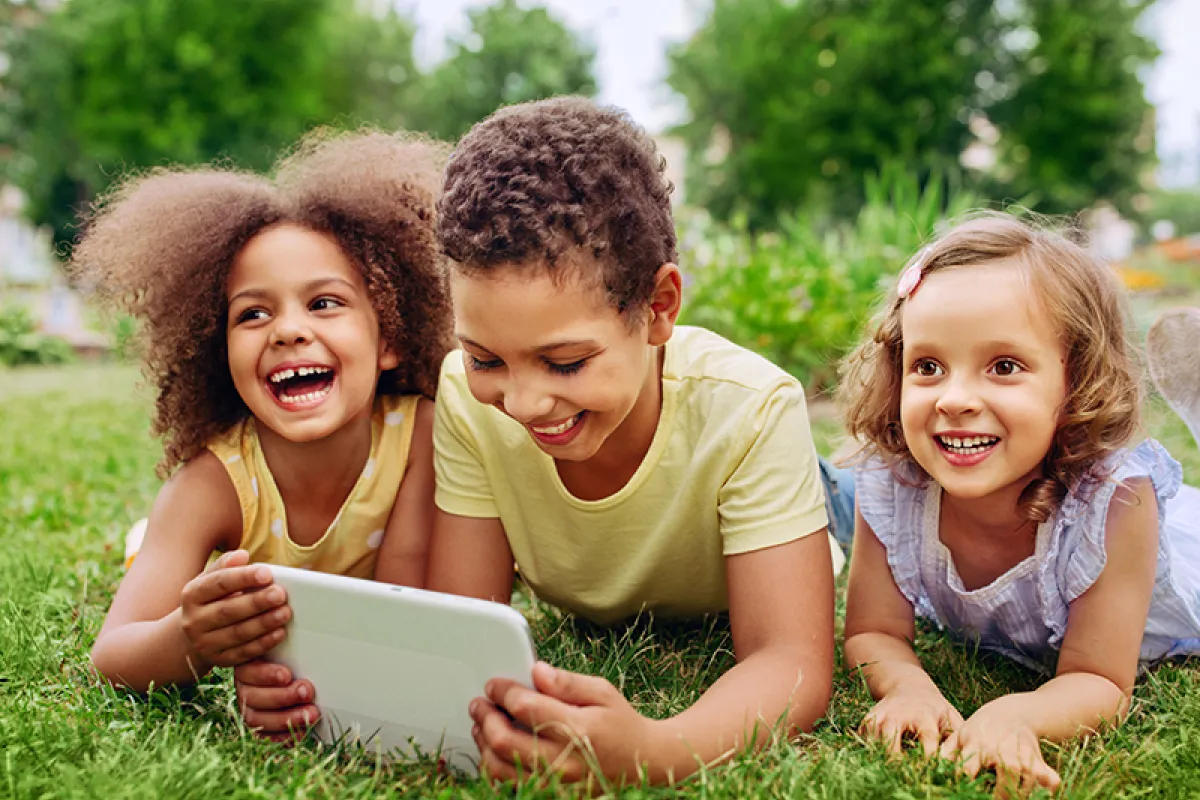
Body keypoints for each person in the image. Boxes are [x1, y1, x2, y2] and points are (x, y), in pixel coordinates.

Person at [236, 97, 838, 785]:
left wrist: (655, 750)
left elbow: (789, 662)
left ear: (659, 308)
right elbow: (464, 625)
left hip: (802, 498)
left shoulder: (753, 410)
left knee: (844, 494)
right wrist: (314, 692)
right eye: (488, 358)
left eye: (565, 362)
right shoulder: (466, 395)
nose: (522, 403)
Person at [78, 130, 453, 695]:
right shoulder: (210, 484)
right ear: (217, 351)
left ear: (388, 340)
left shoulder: (420, 434)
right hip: (197, 546)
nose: (289, 330)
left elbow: (399, 610)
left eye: (324, 303)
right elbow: (111, 657)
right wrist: (190, 639)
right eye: (252, 314)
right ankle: (144, 546)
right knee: (156, 559)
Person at [838, 214, 1200, 793]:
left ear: (1077, 381)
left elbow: (1098, 678)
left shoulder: (1116, 501)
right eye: (927, 366)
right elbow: (873, 631)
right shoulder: (892, 482)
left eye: (1003, 367)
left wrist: (1014, 715)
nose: (955, 399)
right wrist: (908, 686)